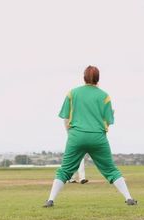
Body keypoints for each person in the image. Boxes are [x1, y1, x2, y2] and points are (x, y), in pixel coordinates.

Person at [43, 66, 137, 207]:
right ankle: (129, 198)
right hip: (97, 137)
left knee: (65, 170)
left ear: (84, 77)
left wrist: (72, 135)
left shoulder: (72, 93)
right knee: (111, 170)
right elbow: (109, 121)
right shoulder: (104, 96)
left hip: (76, 136)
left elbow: (66, 119)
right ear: (98, 78)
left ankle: (50, 200)